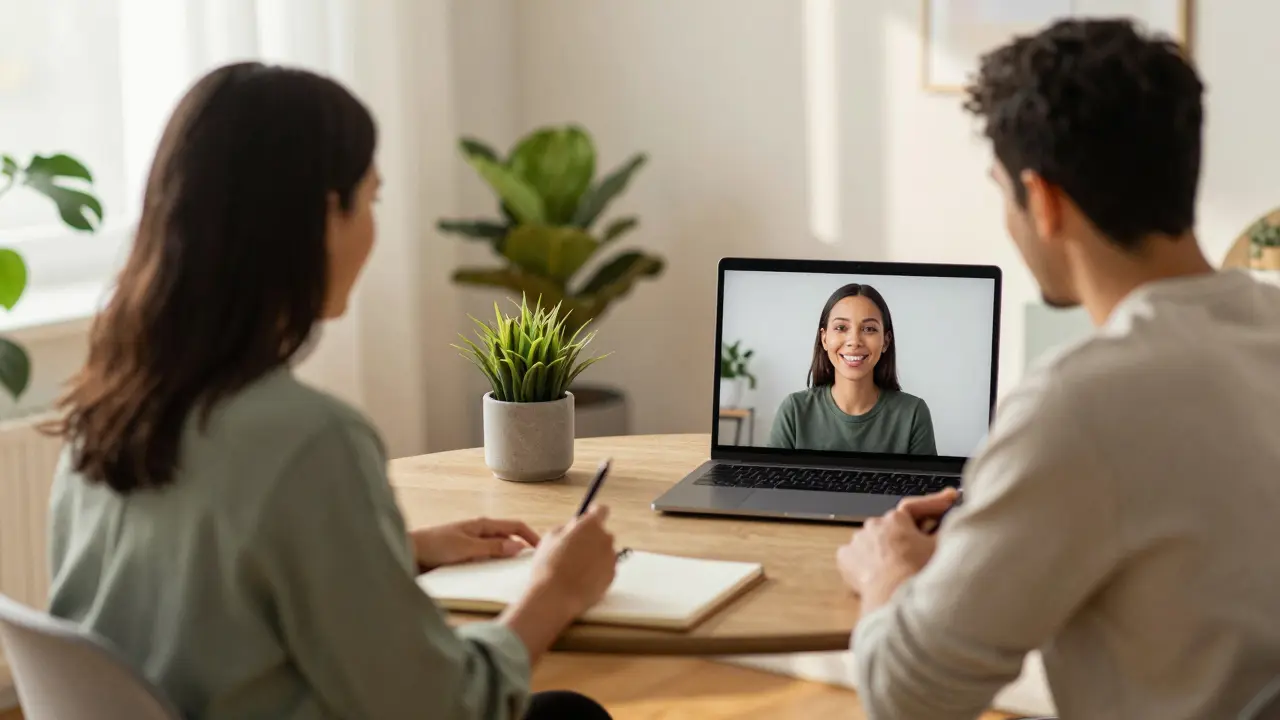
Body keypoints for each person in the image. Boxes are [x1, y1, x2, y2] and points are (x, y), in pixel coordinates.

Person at [42, 62, 614, 720]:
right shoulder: (310, 438)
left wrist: (394, 552)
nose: (372, 227)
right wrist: (555, 591)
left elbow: (197, 592)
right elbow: (436, 707)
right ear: (322, 216)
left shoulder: (104, 411)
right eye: (370, 200)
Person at [835, 18, 1280, 720]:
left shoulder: (1076, 404)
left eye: (1002, 191)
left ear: (1042, 202)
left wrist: (885, 568)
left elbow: (906, 696)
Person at [769, 283, 936, 455]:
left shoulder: (913, 413)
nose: (854, 341)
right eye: (841, 328)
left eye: (869, 329)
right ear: (824, 339)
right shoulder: (794, 410)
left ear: (886, 341)